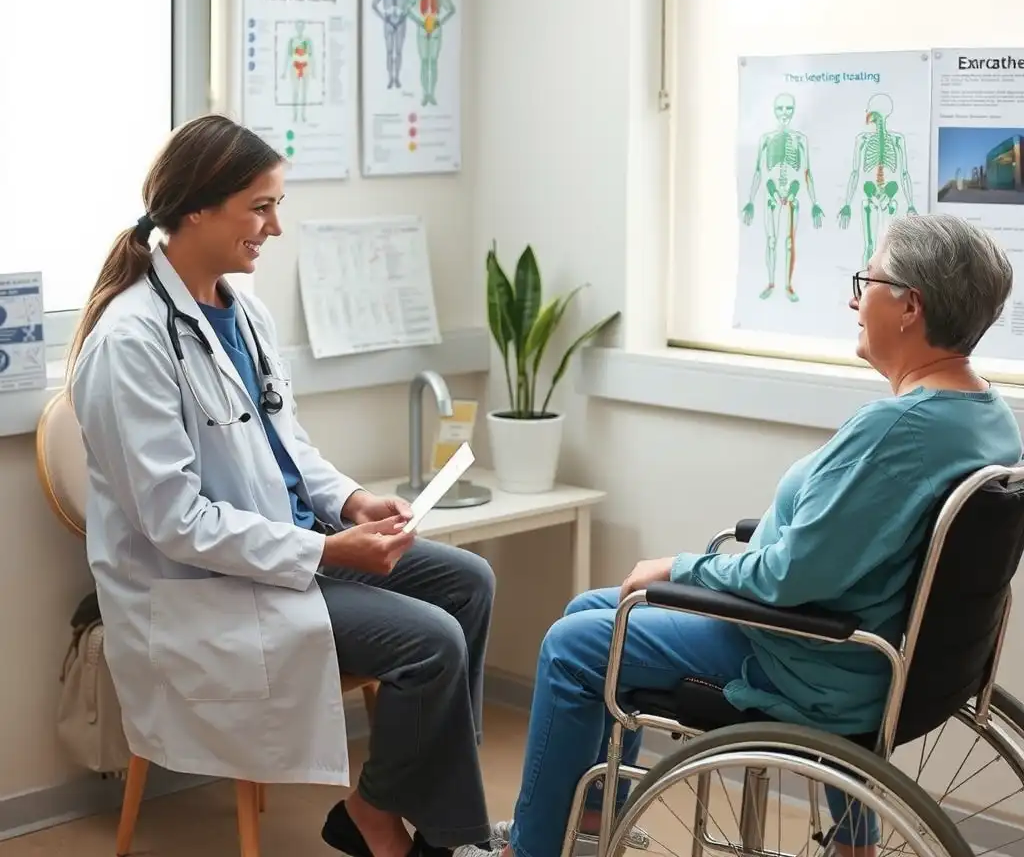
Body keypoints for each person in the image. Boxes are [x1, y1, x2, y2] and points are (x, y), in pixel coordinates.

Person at [484, 213, 1024, 857]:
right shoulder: (987, 415)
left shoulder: (896, 430)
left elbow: (788, 578)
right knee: (590, 609)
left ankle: (533, 847)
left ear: (910, 306)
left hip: (808, 661)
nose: (854, 299)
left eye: (867, 280)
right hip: (877, 653)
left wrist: (680, 567)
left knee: (575, 643)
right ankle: (596, 817)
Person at [67, 114, 496, 857]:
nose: (275, 227)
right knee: (431, 642)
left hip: (287, 547)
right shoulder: (129, 342)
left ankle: (392, 805)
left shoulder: (244, 310)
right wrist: (329, 551)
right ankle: (420, 830)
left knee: (468, 582)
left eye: (276, 206)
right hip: (204, 586)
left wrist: (350, 502)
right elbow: (177, 523)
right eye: (260, 207)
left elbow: (285, 444)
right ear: (197, 207)